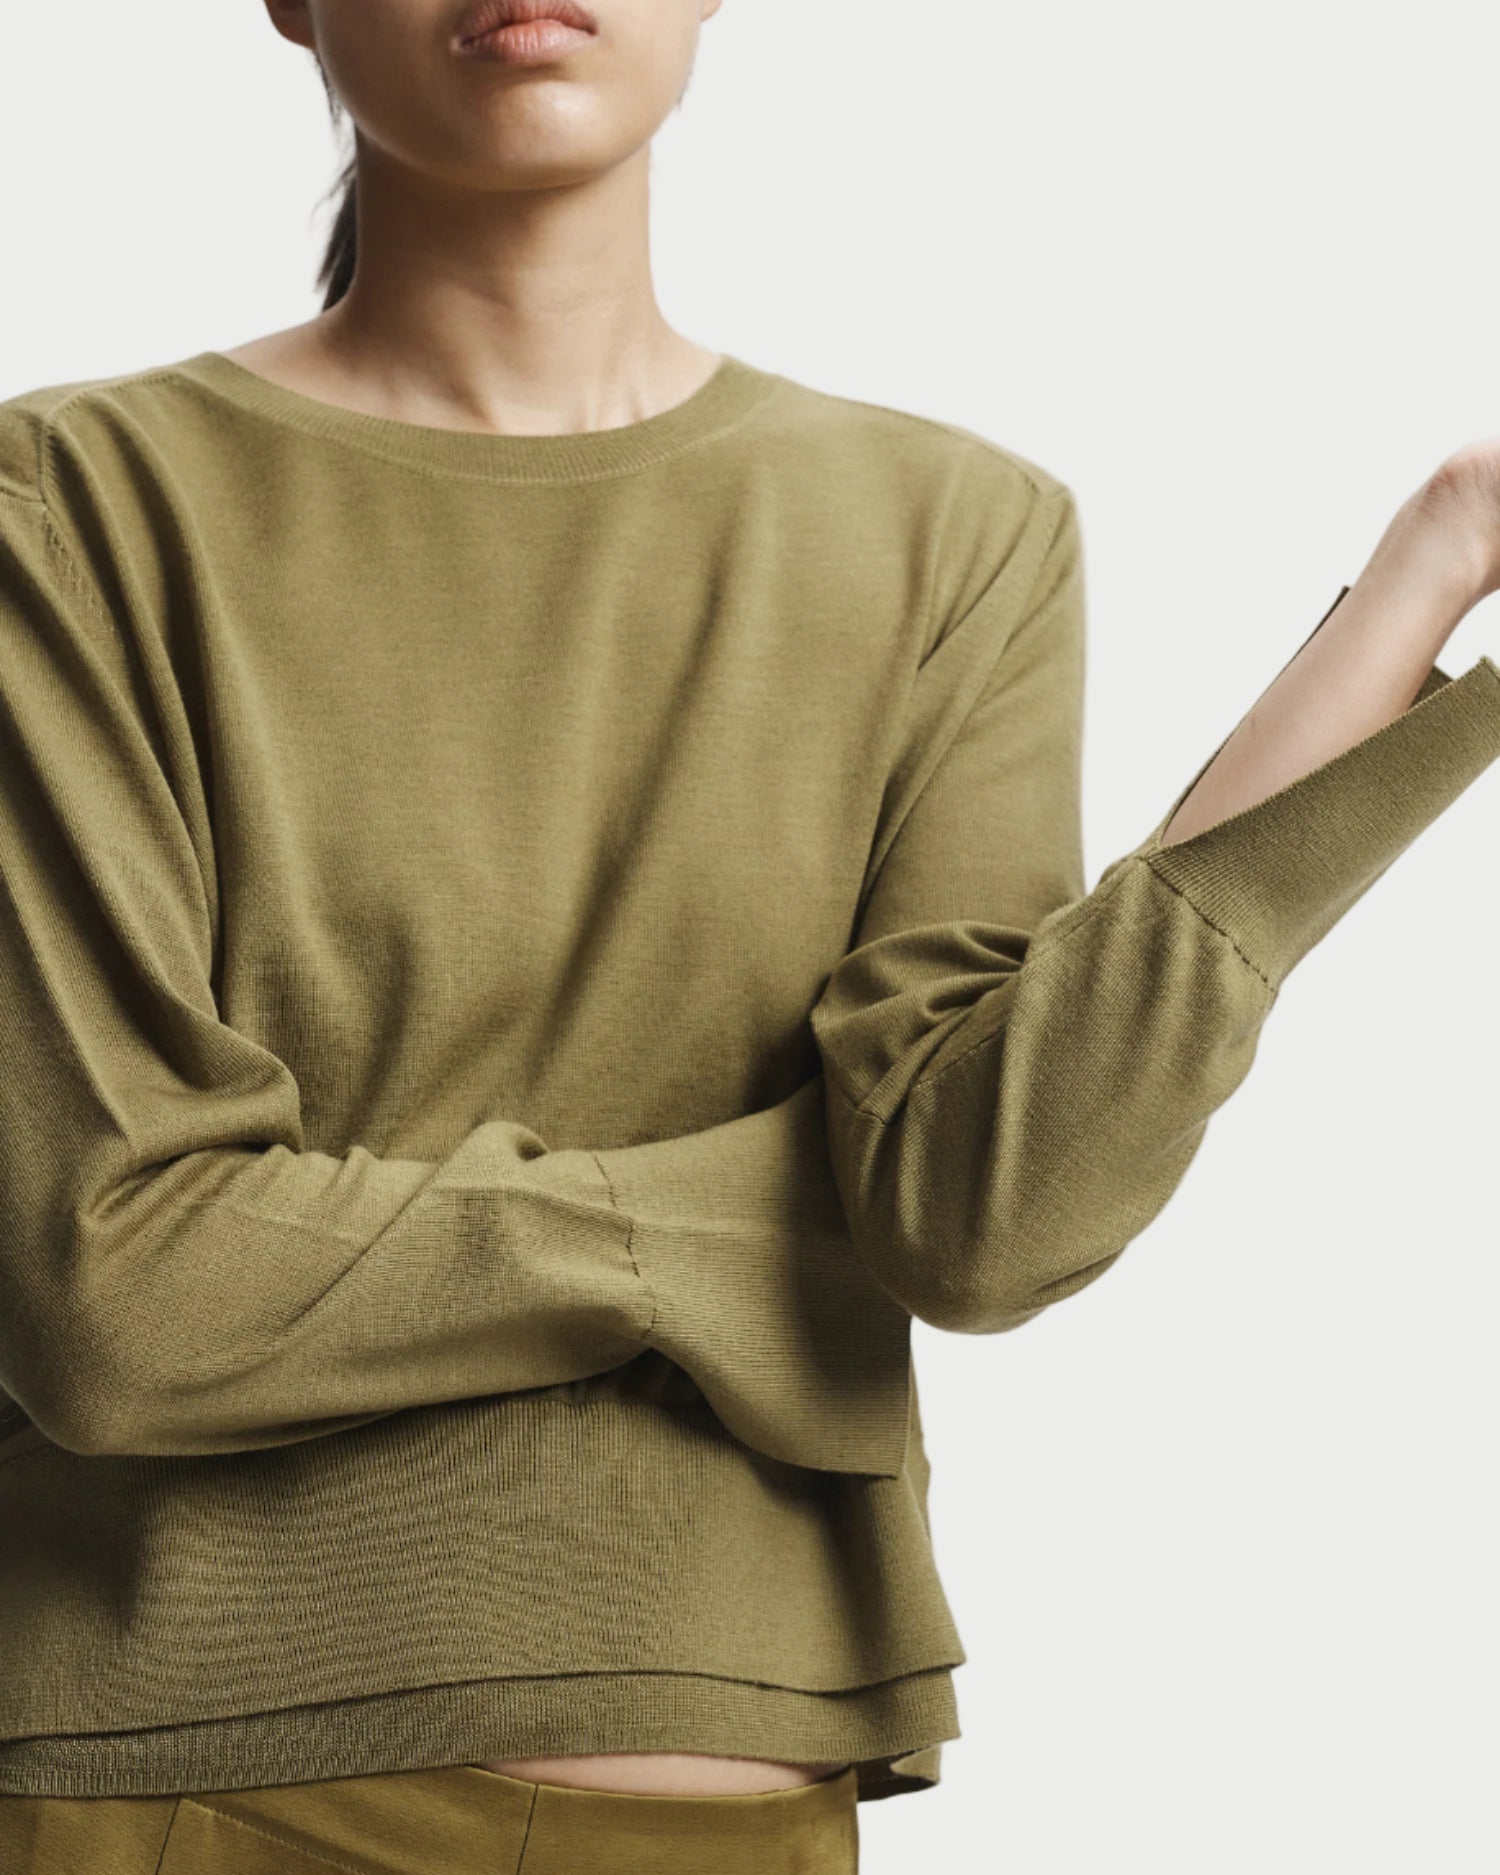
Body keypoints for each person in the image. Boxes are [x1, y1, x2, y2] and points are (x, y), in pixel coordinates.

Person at [2, 0, 1499, 1869]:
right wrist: (776, 1222)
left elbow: (984, 1214)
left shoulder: (959, 533)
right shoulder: (67, 507)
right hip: (170, 1781)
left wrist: (1447, 554)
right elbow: (117, 1298)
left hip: (756, 1795)